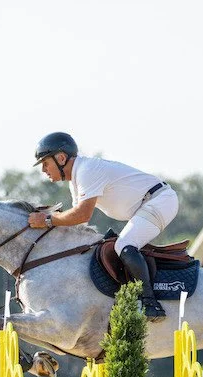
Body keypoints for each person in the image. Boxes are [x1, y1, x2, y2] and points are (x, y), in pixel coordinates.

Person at [27, 132, 179, 321]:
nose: (43, 170)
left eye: (45, 163)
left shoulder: (86, 171)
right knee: (117, 245)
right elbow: (78, 224)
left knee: (124, 246)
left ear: (61, 158)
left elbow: (82, 214)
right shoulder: (76, 179)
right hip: (148, 204)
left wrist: (47, 220)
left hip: (160, 201)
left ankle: (151, 304)